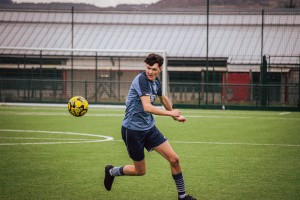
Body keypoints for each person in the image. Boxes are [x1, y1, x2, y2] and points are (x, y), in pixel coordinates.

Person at [104, 53, 197, 200]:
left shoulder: (156, 82)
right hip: (132, 131)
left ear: (160, 69)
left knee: (174, 159)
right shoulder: (141, 80)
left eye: (154, 69)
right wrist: (170, 113)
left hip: (149, 128)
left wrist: (175, 115)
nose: (150, 72)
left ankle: (182, 196)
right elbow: (147, 107)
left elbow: (163, 98)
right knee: (140, 171)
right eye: (148, 68)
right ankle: (111, 172)